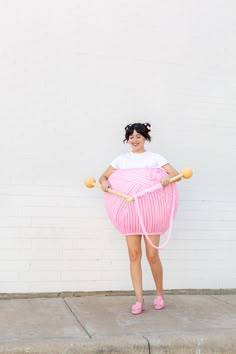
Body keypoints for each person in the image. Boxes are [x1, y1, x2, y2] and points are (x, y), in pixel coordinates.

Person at [99, 122, 180, 315]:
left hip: (152, 212)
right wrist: (103, 182)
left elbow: (175, 174)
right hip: (129, 213)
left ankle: (159, 294)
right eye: (131, 137)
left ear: (145, 138)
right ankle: (139, 299)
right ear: (128, 139)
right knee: (134, 256)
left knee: (152, 256)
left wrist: (167, 178)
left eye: (138, 136)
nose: (134, 140)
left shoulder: (155, 158)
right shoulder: (121, 159)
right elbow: (103, 176)